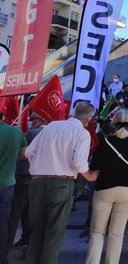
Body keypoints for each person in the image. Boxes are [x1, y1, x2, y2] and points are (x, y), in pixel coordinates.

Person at [25, 101, 97, 264]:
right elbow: (79, 162)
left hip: (37, 181)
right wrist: (89, 175)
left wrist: (42, 166)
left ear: (73, 112)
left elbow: (29, 152)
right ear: (88, 119)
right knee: (54, 233)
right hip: (61, 184)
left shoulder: (51, 126)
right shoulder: (82, 133)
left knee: (37, 231)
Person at [85, 111, 128, 264]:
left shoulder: (105, 142)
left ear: (113, 125)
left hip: (104, 190)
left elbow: (94, 169)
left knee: (96, 232)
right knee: (117, 234)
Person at [7, 113, 46, 251]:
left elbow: (23, 154)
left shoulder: (32, 134)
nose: (31, 121)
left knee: (14, 214)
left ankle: (7, 244)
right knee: (29, 213)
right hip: (39, 177)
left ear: (40, 119)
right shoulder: (49, 133)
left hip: (25, 176)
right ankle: (28, 242)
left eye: (33, 119)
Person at [0, 108, 27, 264]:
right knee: (3, 225)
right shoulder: (16, 133)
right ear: (3, 116)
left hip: (7, 184)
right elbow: (24, 154)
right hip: (6, 185)